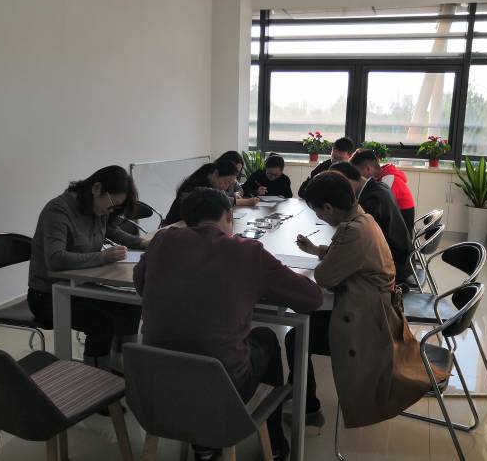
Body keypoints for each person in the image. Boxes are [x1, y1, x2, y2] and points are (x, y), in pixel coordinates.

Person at [134, 188, 322, 461]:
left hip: (156, 382)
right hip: (222, 387)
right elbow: (311, 299)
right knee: (266, 338)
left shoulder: (161, 240)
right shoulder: (247, 251)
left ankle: (204, 443)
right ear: (229, 216)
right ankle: (275, 445)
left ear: (186, 219)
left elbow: (140, 284)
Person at [286, 171, 441, 429]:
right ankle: (301, 396)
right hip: (377, 310)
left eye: (317, 212)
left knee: (296, 336)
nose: (318, 218)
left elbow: (324, 276)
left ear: (328, 207)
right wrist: (317, 250)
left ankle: (308, 407)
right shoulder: (363, 219)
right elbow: (346, 255)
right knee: (305, 322)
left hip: (369, 322)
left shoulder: (353, 232)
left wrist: (322, 258)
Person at [27, 165, 148, 372]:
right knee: (101, 323)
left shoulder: (98, 208)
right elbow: (55, 259)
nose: (111, 211)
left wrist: (147, 243)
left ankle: (121, 367)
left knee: (131, 306)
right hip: (47, 295)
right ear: (96, 188)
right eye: (112, 205)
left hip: (81, 287)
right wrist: (103, 257)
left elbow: (115, 232)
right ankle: (96, 378)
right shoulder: (58, 210)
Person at [329, 161, 413, 281]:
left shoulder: (371, 201)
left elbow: (358, 243)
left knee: (332, 278)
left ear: (346, 180)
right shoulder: (378, 186)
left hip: (392, 267)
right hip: (400, 256)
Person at [350, 149, 416, 234]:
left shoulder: (388, 181)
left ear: (368, 169)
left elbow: (373, 214)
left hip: (399, 233)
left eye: (356, 173)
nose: (355, 177)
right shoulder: (382, 177)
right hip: (393, 227)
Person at [163, 160, 238, 226]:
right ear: (216, 174)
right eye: (226, 182)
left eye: (229, 184)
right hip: (175, 225)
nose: (226, 187)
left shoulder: (211, 183)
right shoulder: (195, 188)